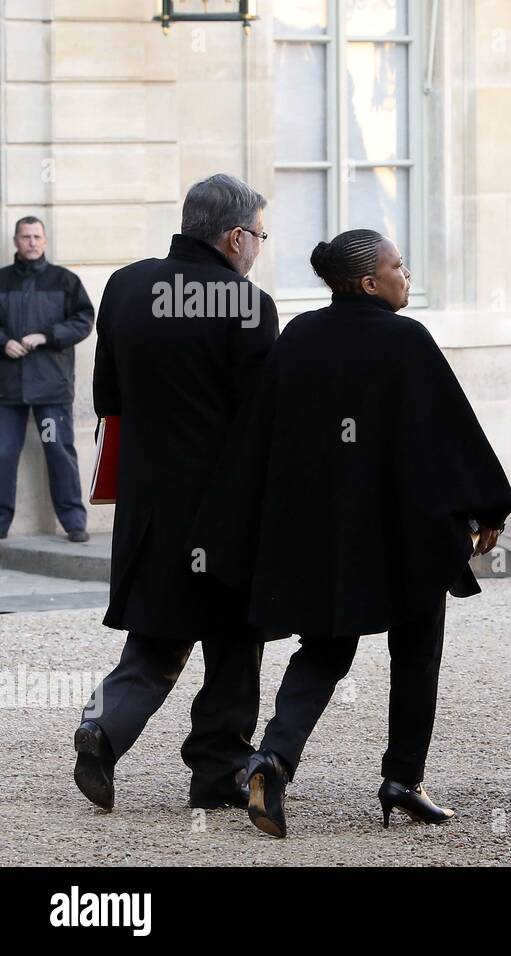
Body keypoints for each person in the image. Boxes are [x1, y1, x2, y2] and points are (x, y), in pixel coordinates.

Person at [192, 229, 511, 839]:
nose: (405, 274)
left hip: (327, 533)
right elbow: (449, 431)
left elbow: (263, 434)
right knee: (416, 652)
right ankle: (403, 779)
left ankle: (273, 757)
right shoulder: (405, 339)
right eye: (399, 266)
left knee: (325, 649)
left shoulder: (301, 337)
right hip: (407, 531)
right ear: (370, 282)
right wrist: (489, 507)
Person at [73, 174, 279, 813]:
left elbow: (108, 398)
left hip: (147, 499)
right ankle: (217, 769)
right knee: (233, 642)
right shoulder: (247, 304)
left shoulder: (126, 285)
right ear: (235, 236)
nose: (259, 250)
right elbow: (262, 418)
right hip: (222, 504)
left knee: (157, 638)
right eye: (261, 237)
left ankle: (103, 728)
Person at [0, 216, 94, 542]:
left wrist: (48, 336)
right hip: (7, 388)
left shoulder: (65, 280)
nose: (31, 242)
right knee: (2, 453)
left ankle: (73, 522)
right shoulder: (2, 280)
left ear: (44, 240)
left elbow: (84, 320)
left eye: (36, 236)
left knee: (58, 451)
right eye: (25, 236)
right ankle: (0, 524)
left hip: (51, 388)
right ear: (15, 241)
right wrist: (4, 342)